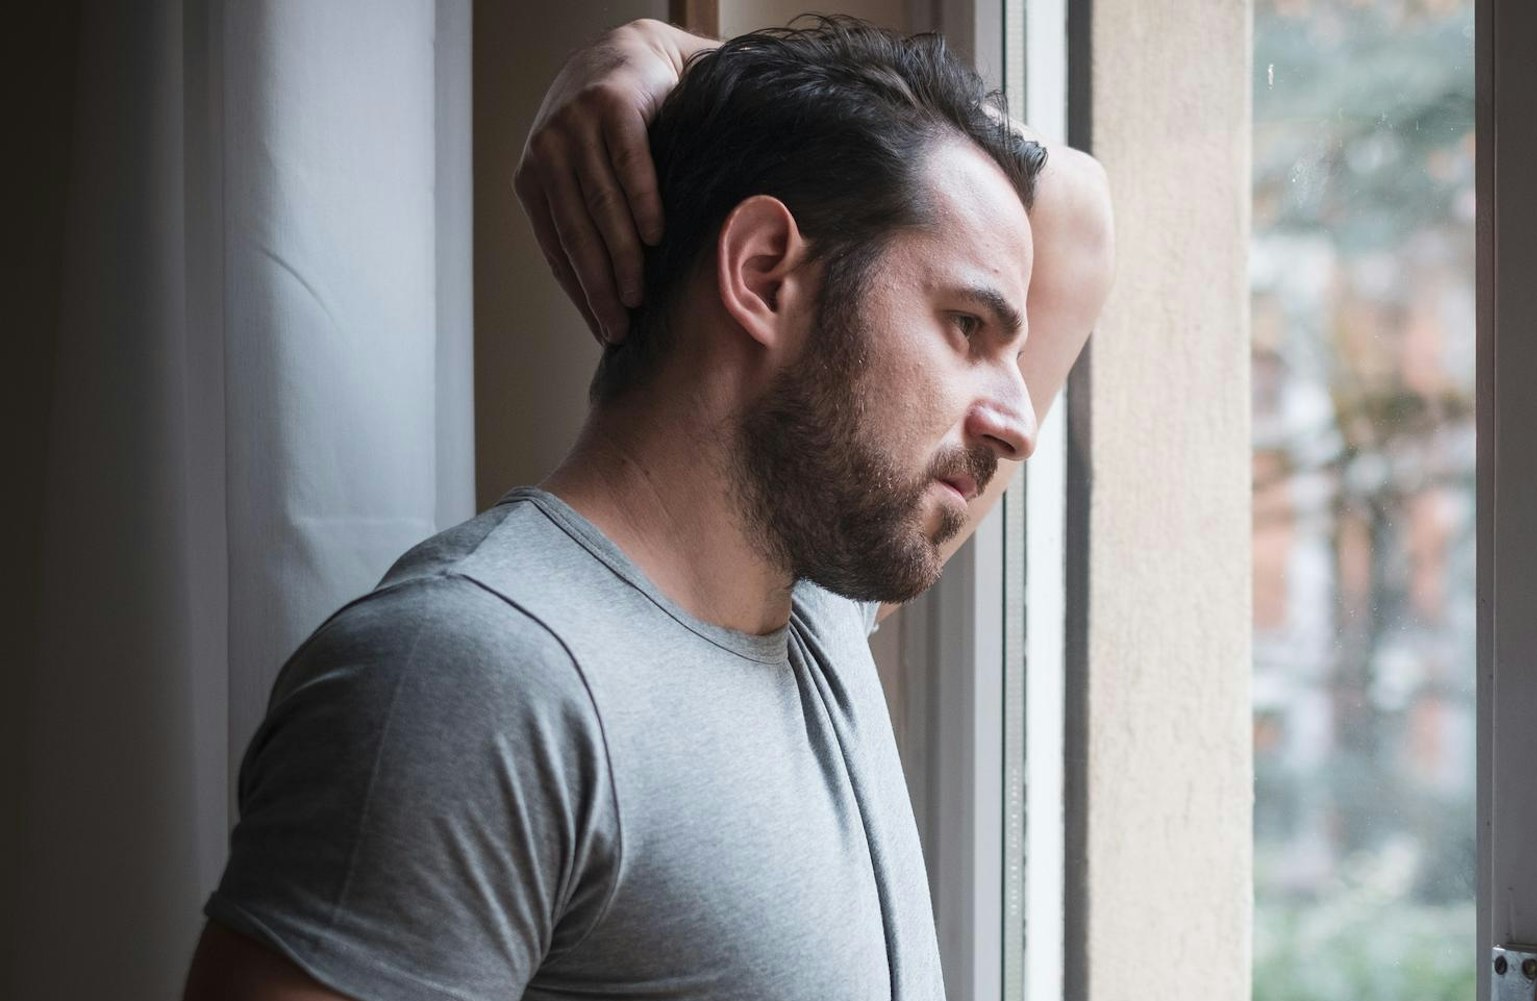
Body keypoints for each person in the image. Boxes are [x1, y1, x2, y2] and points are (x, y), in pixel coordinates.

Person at [180, 14, 1112, 1001]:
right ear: (763, 274)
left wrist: (661, 59)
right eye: (966, 325)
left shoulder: (818, 617)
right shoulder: (478, 679)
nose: (1018, 423)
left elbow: (1078, 215)